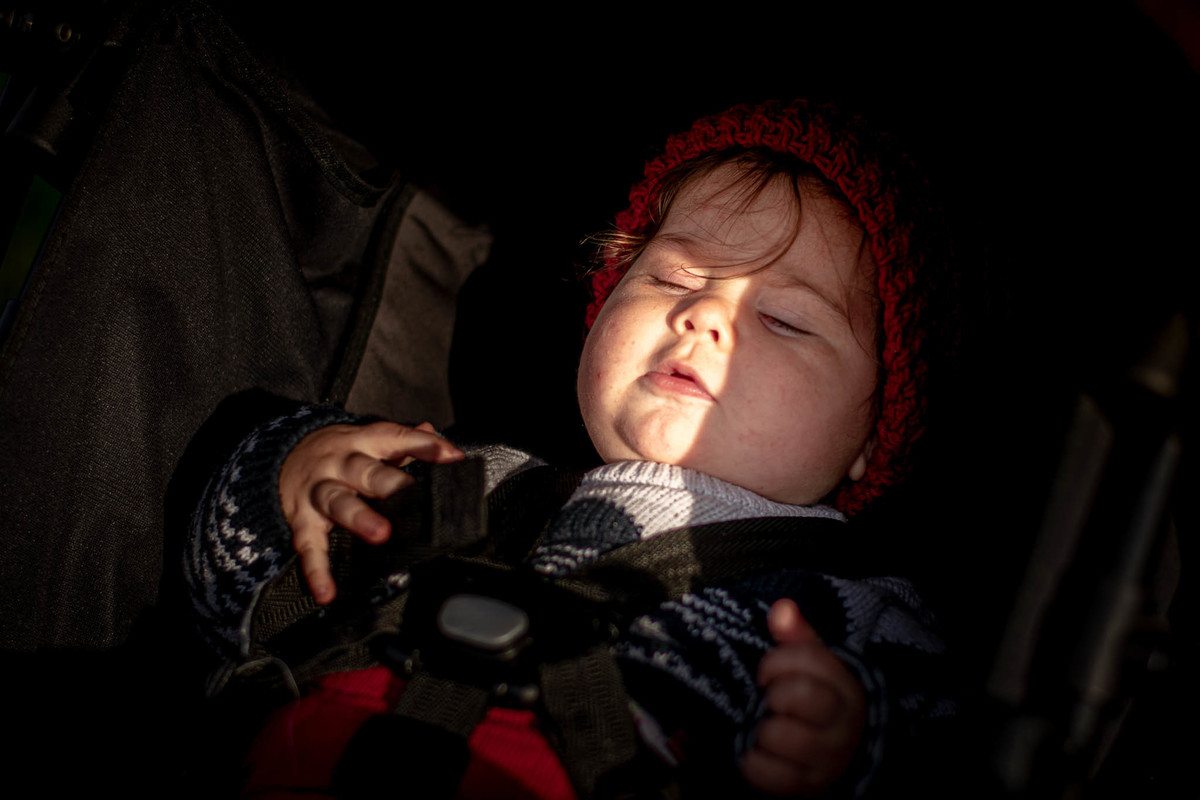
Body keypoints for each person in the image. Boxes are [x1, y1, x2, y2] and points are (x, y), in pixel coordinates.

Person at [184, 99, 955, 798]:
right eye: (673, 277)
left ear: (873, 431)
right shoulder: (466, 481)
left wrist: (856, 744)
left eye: (783, 318)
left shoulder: (845, 608)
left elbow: (952, 755)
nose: (704, 316)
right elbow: (236, 606)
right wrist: (292, 473)